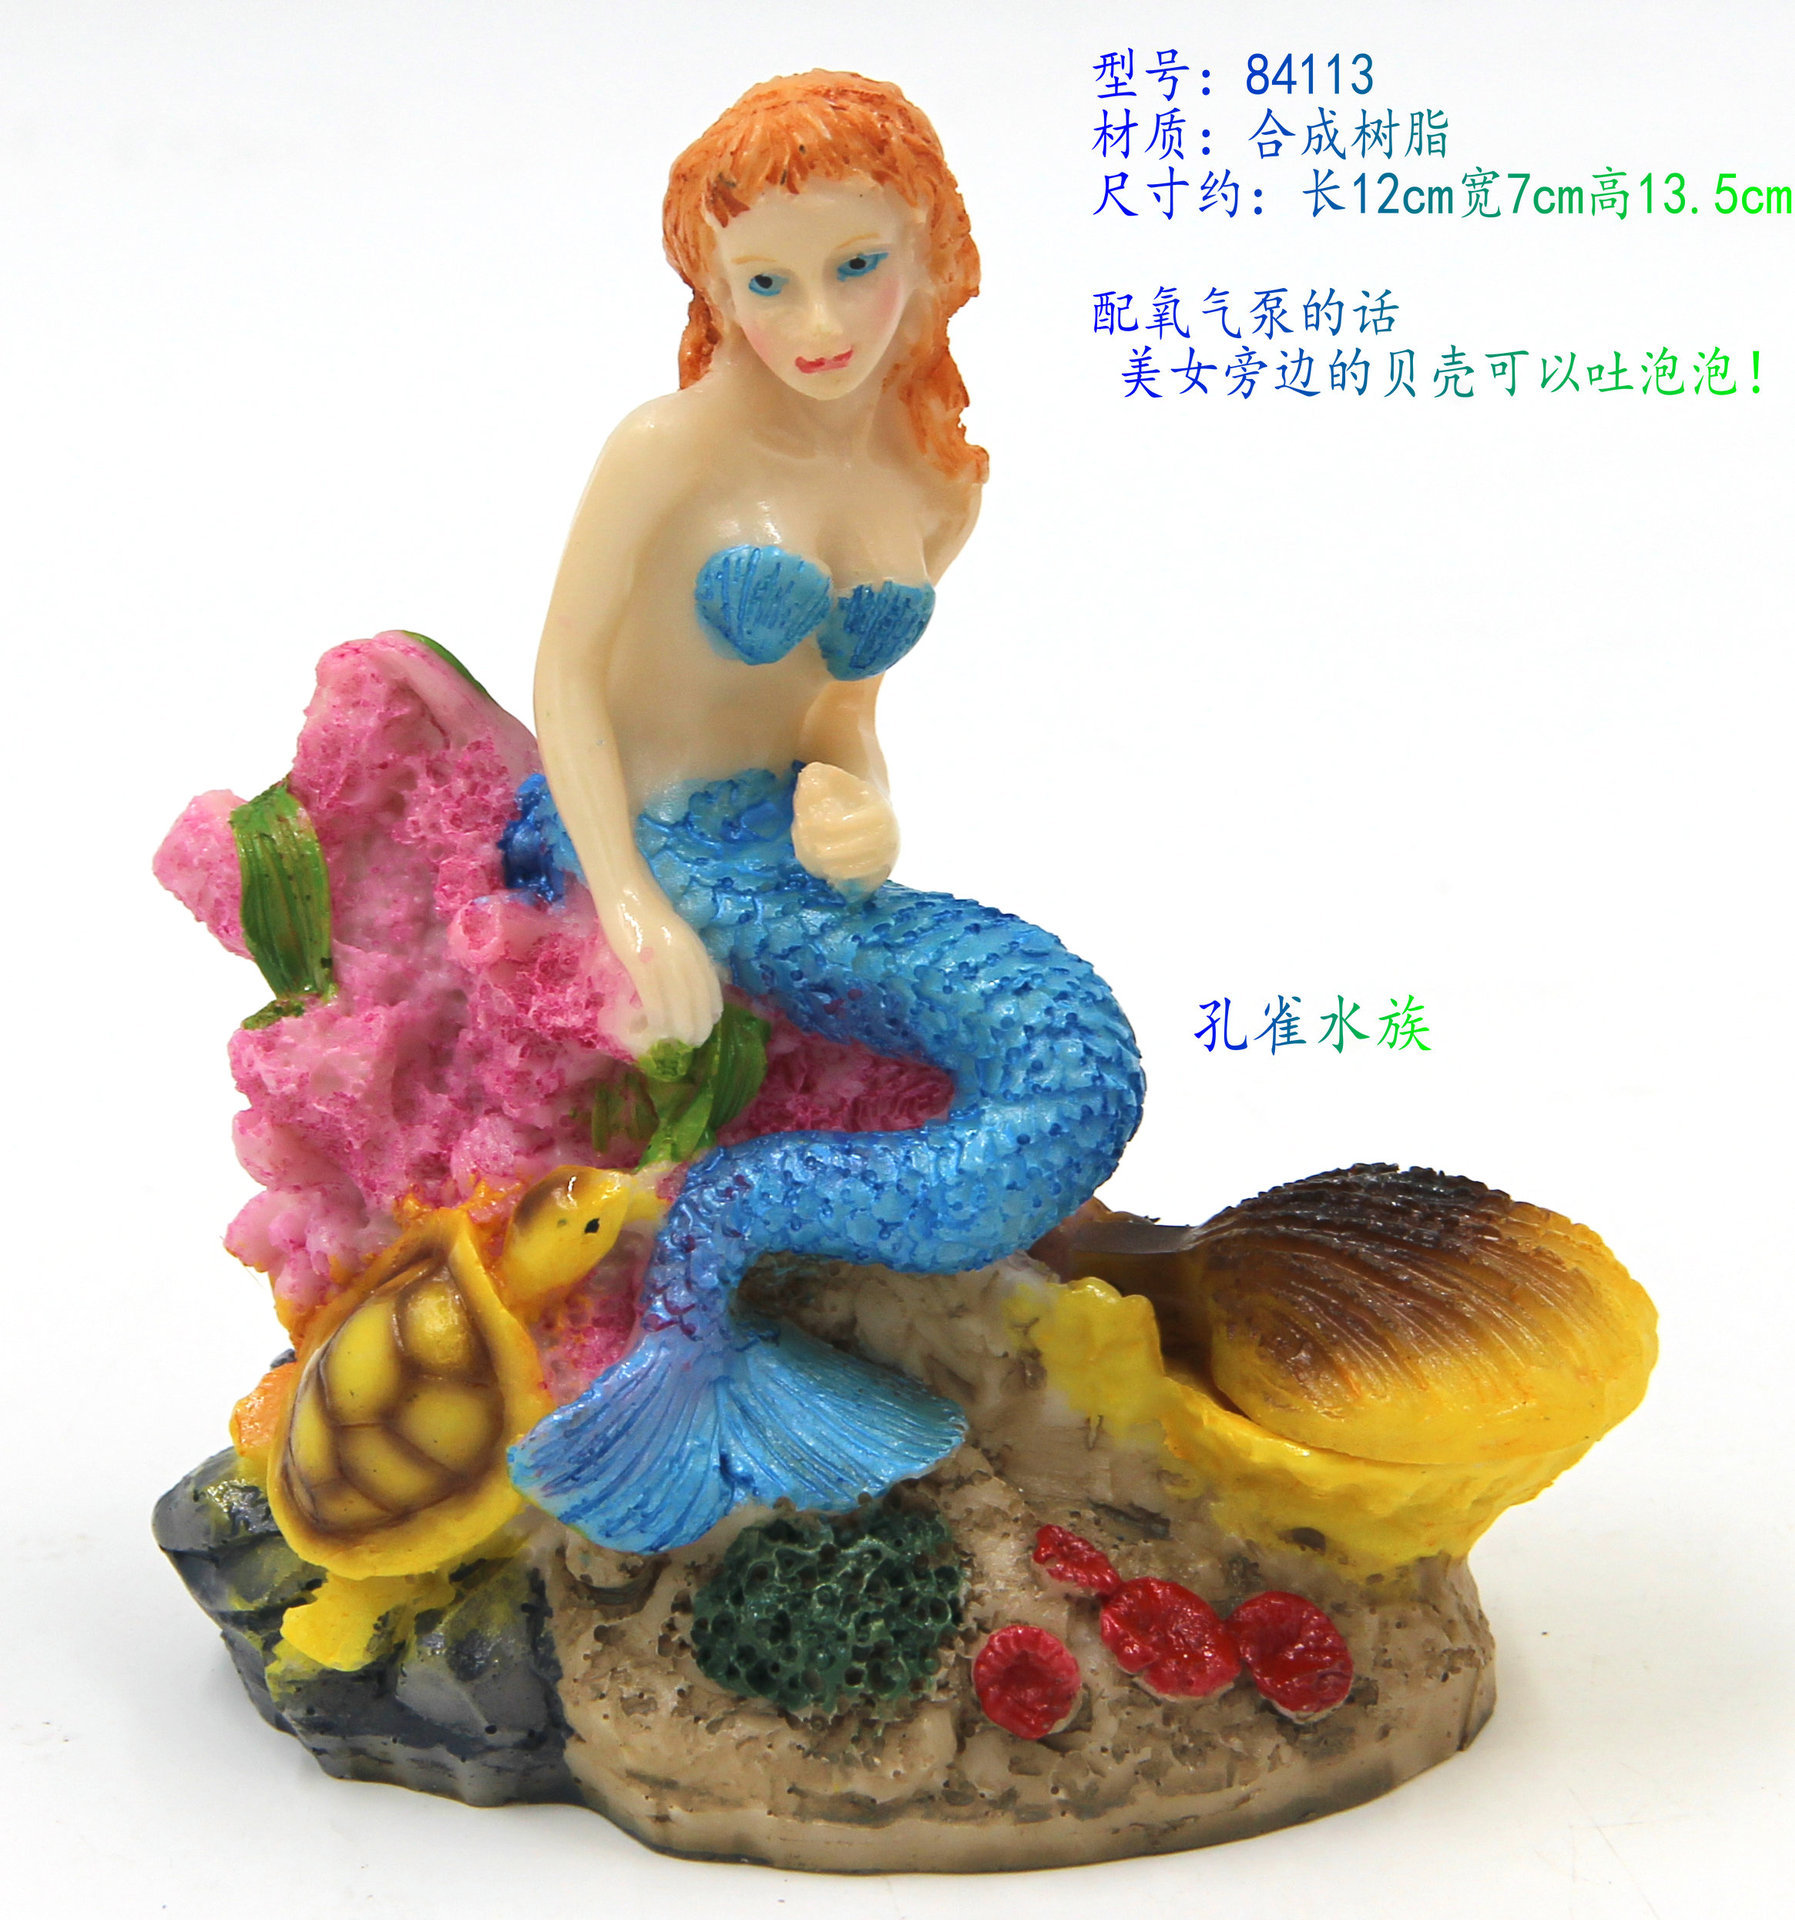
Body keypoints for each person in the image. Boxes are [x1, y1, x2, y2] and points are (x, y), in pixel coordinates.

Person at [507, 72, 1144, 1554]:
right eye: (766, 283)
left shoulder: (932, 480)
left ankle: (743, 1255)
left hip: (790, 855)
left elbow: (834, 709)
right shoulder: (668, 450)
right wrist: (629, 901)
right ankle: (696, 1313)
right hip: (662, 838)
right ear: (712, 284)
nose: (818, 323)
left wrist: (859, 798)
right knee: (1051, 1074)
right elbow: (565, 678)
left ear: (932, 248)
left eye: (857, 265)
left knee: (1061, 1054)